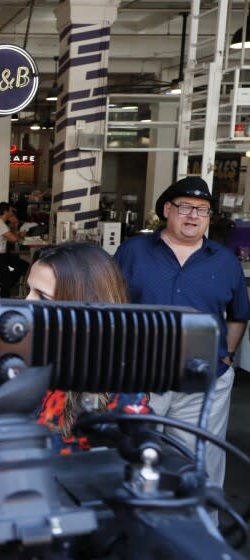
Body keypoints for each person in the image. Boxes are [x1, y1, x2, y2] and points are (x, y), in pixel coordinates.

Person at [115, 177, 250, 489]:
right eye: (185, 207)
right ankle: (137, 532)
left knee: (199, 462)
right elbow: (112, 304)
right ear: (167, 210)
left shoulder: (225, 261)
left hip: (203, 382)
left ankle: (201, 530)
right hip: (141, 378)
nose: (193, 216)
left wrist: (225, 356)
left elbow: (238, 316)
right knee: (133, 456)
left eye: (202, 210)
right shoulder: (133, 251)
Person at [25, 242, 150, 454]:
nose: (27, 301)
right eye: (28, 290)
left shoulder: (119, 385)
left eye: (41, 296)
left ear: (82, 302)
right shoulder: (37, 351)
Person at [0, 201, 28, 297]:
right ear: (5, 212)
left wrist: (14, 226)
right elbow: (14, 239)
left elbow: (11, 236)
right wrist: (17, 230)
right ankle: (4, 296)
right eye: (11, 211)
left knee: (23, 265)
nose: (12, 213)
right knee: (7, 274)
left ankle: (5, 285)